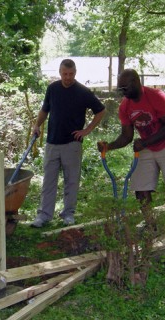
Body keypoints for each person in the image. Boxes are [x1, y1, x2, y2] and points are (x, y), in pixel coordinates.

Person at [97, 69, 165, 236]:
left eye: (124, 88)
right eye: (120, 89)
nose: (122, 93)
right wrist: (108, 147)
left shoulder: (157, 96)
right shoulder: (125, 106)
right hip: (147, 144)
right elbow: (127, 136)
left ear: (136, 83)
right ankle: (150, 224)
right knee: (140, 185)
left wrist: (145, 142)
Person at [31, 59, 106, 227]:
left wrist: (87, 130)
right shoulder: (53, 89)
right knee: (48, 180)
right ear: (60, 72)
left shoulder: (83, 92)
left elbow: (100, 111)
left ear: (75, 73)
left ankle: (68, 214)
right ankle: (44, 215)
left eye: (71, 74)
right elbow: (45, 110)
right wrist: (37, 125)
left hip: (73, 143)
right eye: (65, 74)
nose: (68, 77)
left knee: (71, 180)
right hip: (52, 142)